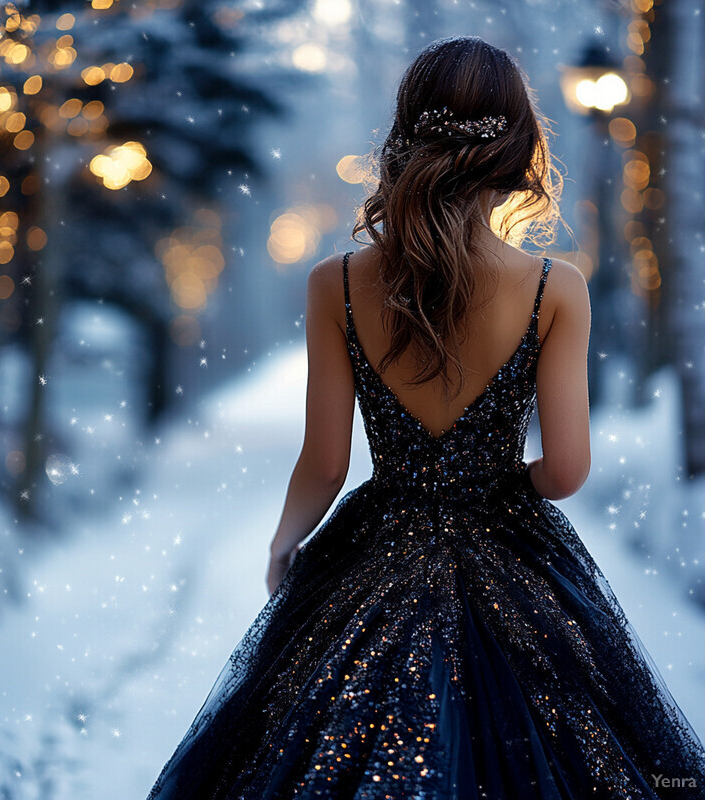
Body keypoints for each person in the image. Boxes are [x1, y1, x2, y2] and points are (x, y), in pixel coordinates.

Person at [146, 36, 705, 799]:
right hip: (512, 554)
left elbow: (326, 462)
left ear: (405, 140)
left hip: (372, 556)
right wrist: (501, 483)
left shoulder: (336, 283)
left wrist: (286, 540)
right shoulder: (554, 289)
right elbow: (568, 472)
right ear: (517, 151)